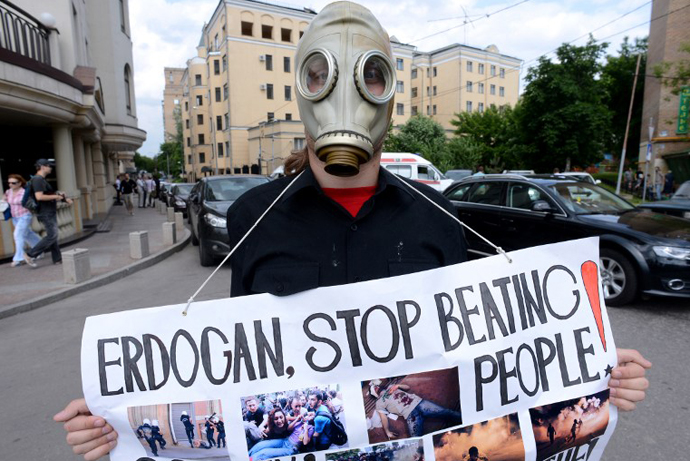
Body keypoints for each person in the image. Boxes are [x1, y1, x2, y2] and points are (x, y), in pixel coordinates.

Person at [53, 3, 652, 459]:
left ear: (388, 95)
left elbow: (484, 358)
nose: (344, 100)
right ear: (303, 89)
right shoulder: (255, 216)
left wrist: (593, 374)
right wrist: (116, 416)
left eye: (367, 79)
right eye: (322, 77)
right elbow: (233, 365)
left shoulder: (436, 216)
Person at [370, 379, 462, 439]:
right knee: (416, 440)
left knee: (447, 412)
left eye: (376, 386)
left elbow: (408, 387)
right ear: (374, 394)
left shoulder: (391, 387)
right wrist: (387, 431)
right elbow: (383, 417)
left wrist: (398, 386)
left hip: (420, 403)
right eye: (374, 388)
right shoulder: (379, 403)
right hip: (411, 415)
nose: (376, 387)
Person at [24, 159, 73, 267]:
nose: (51, 168)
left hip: (48, 211)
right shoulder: (38, 180)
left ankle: (57, 258)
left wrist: (59, 195)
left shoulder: (41, 180)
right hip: (45, 212)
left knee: (53, 236)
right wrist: (57, 196)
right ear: (42, 167)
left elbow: (47, 195)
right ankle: (30, 254)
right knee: (52, 235)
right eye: (49, 166)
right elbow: (39, 196)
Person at [4, 174, 41, 267]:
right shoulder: (8, 192)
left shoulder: (24, 192)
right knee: (28, 234)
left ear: (20, 183)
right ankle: (40, 248)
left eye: (13, 183)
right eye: (9, 183)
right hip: (14, 217)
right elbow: (5, 201)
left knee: (17, 235)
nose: (10, 185)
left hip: (25, 216)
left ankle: (18, 258)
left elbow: (31, 203)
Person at [248, 408, 313, 460]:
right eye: (276, 418)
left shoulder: (310, 428)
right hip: (285, 440)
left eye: (281, 417)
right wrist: (261, 428)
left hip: (291, 448)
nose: (279, 420)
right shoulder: (299, 422)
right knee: (260, 445)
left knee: (263, 453)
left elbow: (305, 442)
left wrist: (305, 428)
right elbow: (289, 428)